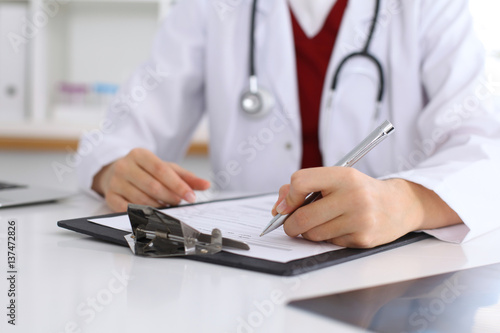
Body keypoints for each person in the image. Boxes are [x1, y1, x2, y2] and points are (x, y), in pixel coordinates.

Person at [78, 0, 500, 248]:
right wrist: (114, 168)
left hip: (390, 272)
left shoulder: (432, 7)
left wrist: (407, 202)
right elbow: (126, 129)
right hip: (248, 265)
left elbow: (485, 149)